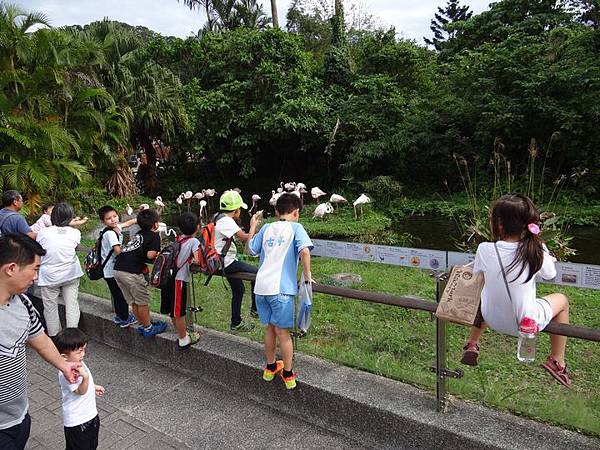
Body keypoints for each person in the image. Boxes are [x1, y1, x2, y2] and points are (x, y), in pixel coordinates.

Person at [460, 193, 571, 387]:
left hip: (492, 318)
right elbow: (550, 274)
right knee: (562, 300)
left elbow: (481, 275)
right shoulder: (535, 250)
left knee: (486, 292)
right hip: (525, 325)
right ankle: (557, 360)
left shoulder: (485, 249)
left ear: (499, 224)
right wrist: (544, 252)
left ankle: (472, 342)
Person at [0, 234, 80, 450]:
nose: (36, 277)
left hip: (19, 416)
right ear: (11, 269)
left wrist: (64, 366)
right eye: (35, 269)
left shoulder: (23, 302)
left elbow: (40, 339)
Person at [248, 193, 313, 390]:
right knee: (283, 333)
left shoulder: (266, 227)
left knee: (270, 328)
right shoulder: (296, 228)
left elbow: (251, 250)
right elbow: (304, 251)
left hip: (260, 289)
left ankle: (270, 368)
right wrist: (307, 276)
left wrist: (252, 227)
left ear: (276, 211)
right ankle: (288, 373)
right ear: (297, 212)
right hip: (281, 290)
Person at [113, 208, 166, 337]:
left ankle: (143, 322)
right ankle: (148, 328)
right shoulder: (154, 236)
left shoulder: (138, 233)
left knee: (134, 301)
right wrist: (158, 253)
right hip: (131, 272)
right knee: (142, 301)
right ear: (155, 224)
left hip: (118, 269)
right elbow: (150, 255)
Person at [36, 203, 84, 337]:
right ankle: (72, 335)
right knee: (72, 305)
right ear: (70, 217)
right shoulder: (75, 232)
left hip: (49, 277)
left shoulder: (43, 232)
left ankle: (55, 337)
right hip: (71, 274)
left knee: (50, 308)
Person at [215, 190, 260, 332]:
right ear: (235, 210)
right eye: (239, 208)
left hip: (221, 261)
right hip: (226, 262)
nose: (239, 211)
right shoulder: (227, 221)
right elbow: (246, 238)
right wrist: (253, 225)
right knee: (257, 273)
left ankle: (236, 323)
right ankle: (255, 310)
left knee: (239, 289)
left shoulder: (217, 217)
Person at [54, 328, 104, 450]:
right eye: (79, 351)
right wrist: (86, 378)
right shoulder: (65, 372)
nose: (83, 354)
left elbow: (84, 386)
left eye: (84, 350)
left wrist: (93, 387)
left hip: (90, 414)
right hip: (77, 420)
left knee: (91, 445)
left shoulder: (77, 361)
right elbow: (80, 391)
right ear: (64, 357)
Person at [160, 212, 201, 349]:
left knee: (173, 309)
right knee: (179, 310)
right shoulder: (194, 241)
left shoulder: (178, 239)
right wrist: (191, 262)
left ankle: (181, 332)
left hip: (169, 278)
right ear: (197, 227)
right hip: (179, 280)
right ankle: (183, 338)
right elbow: (197, 260)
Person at [97, 205, 138, 328]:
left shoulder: (114, 228)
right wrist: (132, 251)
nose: (113, 220)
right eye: (109, 218)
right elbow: (117, 251)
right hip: (111, 270)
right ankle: (125, 319)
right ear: (103, 221)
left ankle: (120, 316)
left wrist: (139, 218)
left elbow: (127, 223)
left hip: (108, 270)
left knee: (116, 294)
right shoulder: (110, 234)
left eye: (115, 216)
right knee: (120, 294)